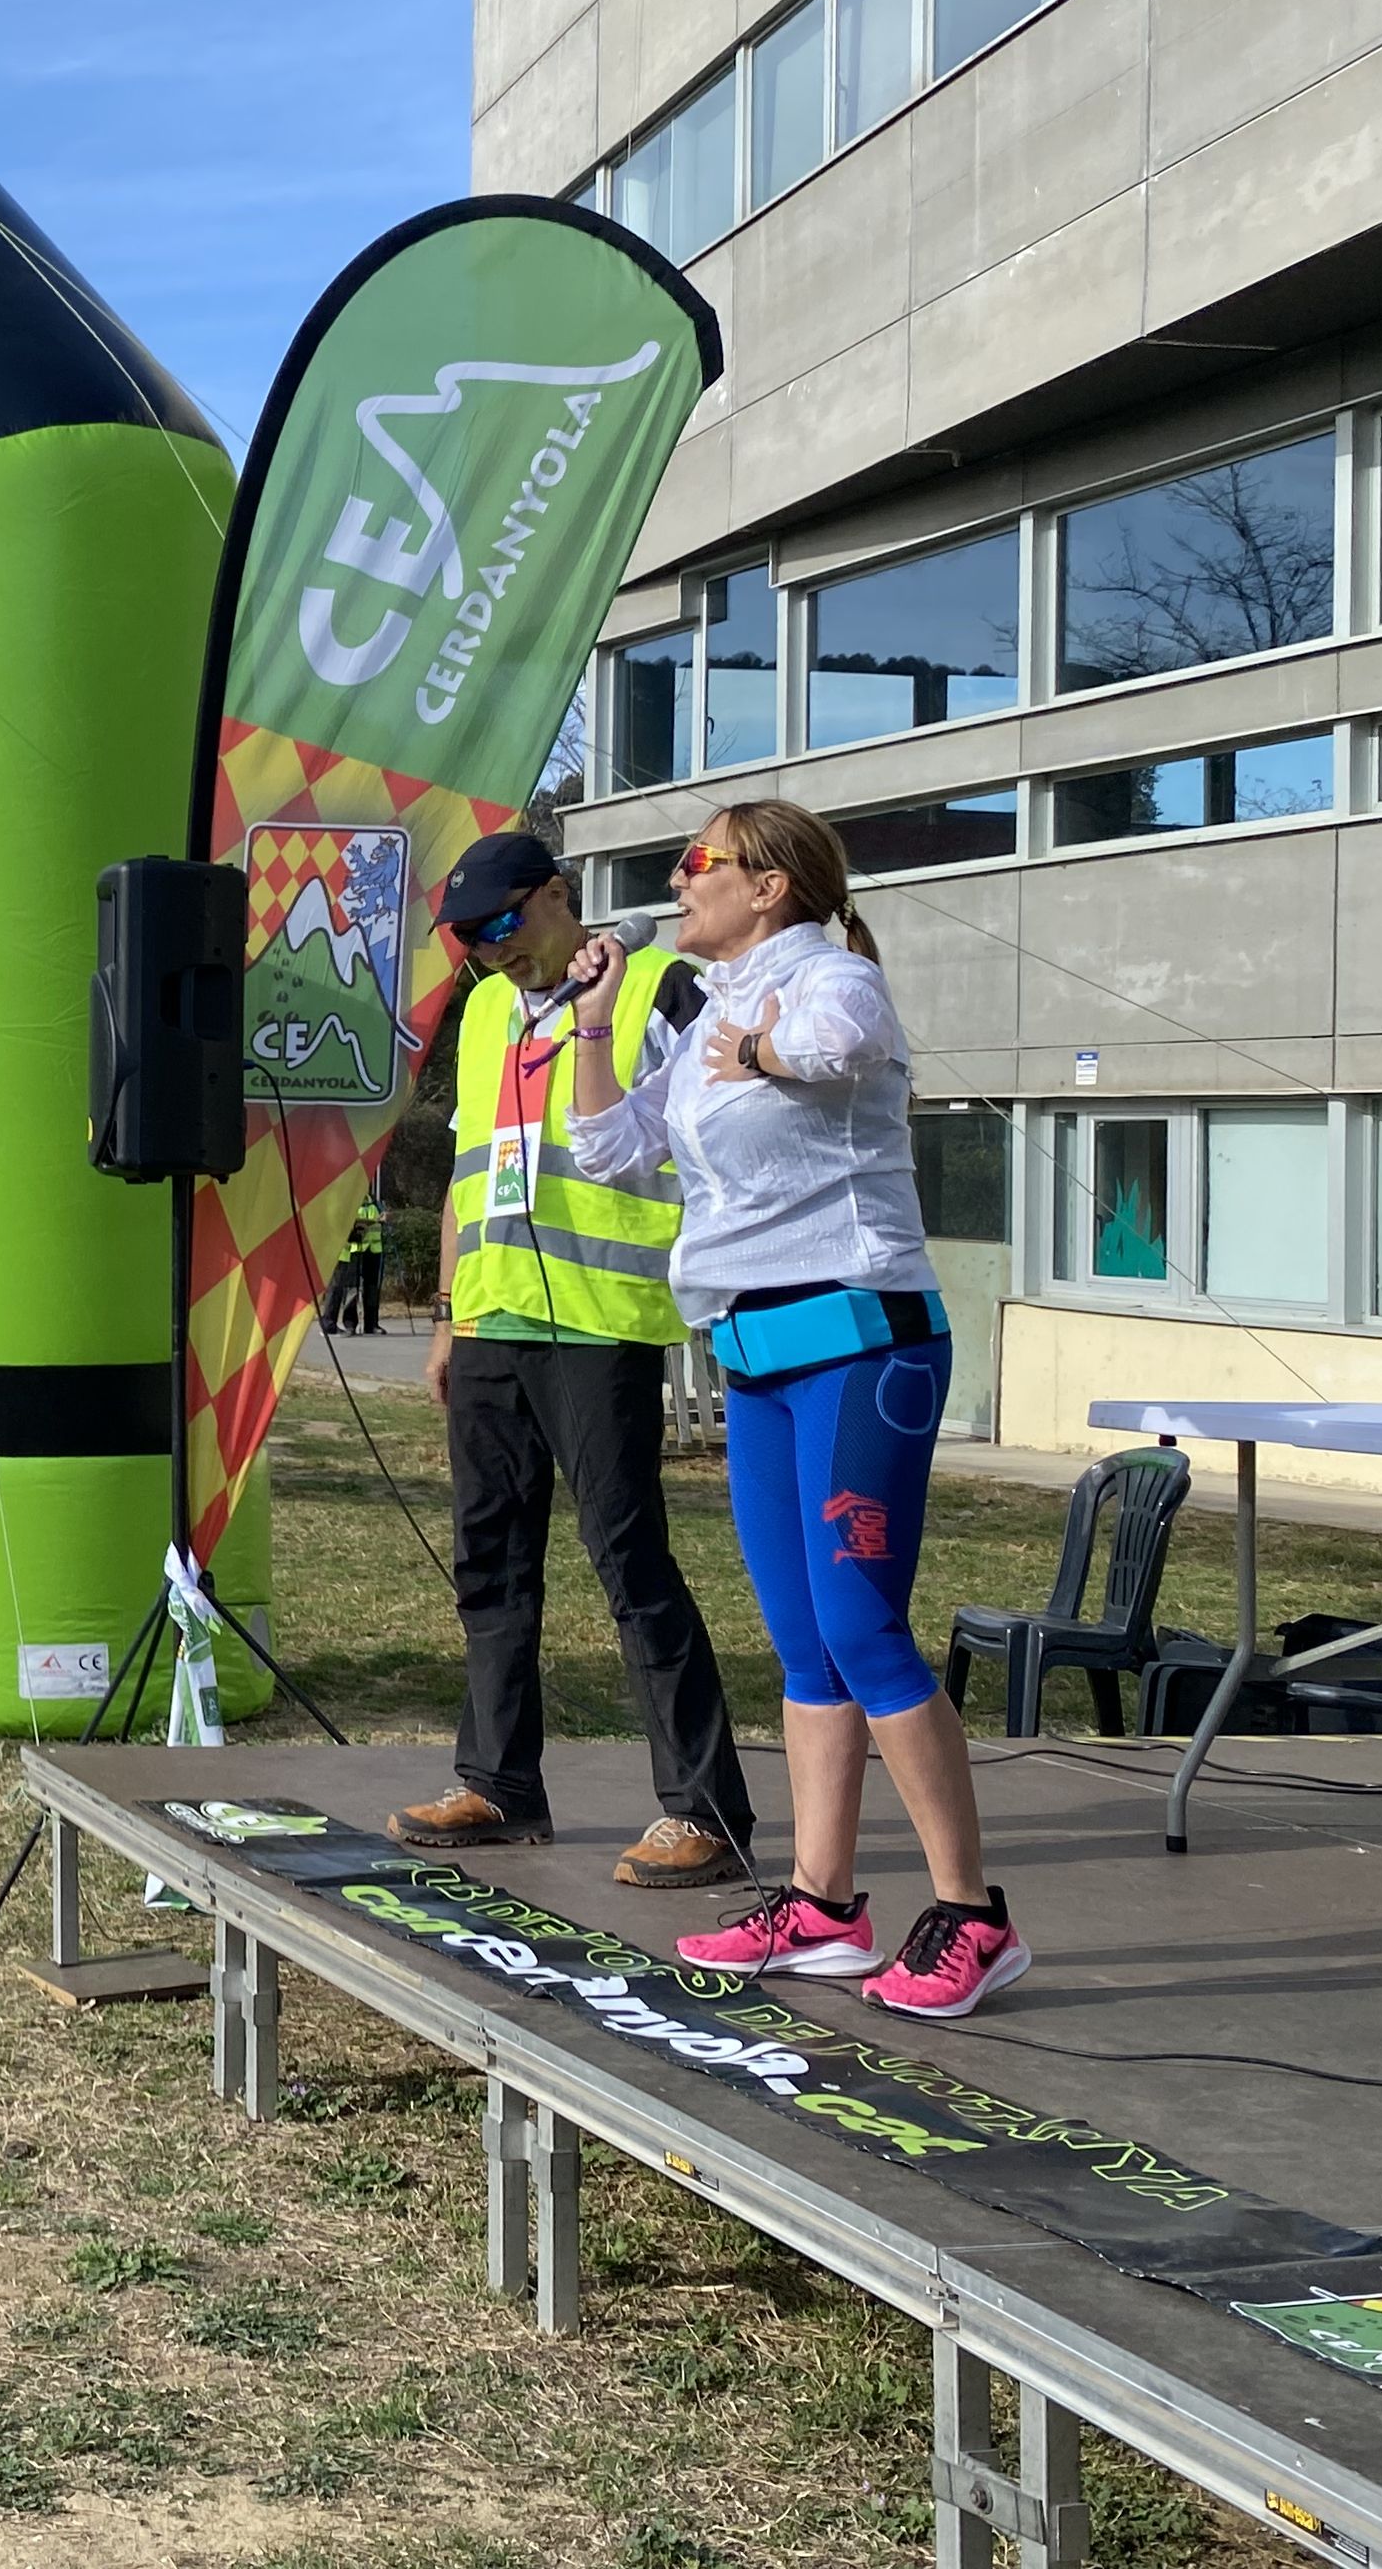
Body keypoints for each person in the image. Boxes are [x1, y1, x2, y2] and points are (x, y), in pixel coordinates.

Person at [565, 799, 1020, 2018]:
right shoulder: (708, 1008)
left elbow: (839, 1052)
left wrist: (760, 1057)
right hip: (755, 1352)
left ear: (769, 886)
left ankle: (972, 1916)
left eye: (698, 861)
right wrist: (602, 1020)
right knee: (805, 1641)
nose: (678, 876)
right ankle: (823, 1908)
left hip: (862, 1340)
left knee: (864, 1628)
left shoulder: (832, 975)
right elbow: (610, 1151)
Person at [404, 828, 755, 1895]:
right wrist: (451, 1312)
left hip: (604, 1319)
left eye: (504, 925)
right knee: (489, 1560)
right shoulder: (482, 1012)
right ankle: (500, 1782)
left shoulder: (657, 985)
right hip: (497, 1318)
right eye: (469, 939)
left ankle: (705, 1811)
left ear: (558, 894)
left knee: (628, 1562)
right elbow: (474, 1165)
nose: (489, 950)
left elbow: (733, 1126)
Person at [335, 1196, 387, 1335]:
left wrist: (385, 1218)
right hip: (355, 1249)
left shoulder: (375, 1203)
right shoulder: (350, 1201)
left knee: (372, 1289)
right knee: (352, 1288)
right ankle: (350, 1324)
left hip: (374, 1249)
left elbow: (382, 1218)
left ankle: (372, 1324)